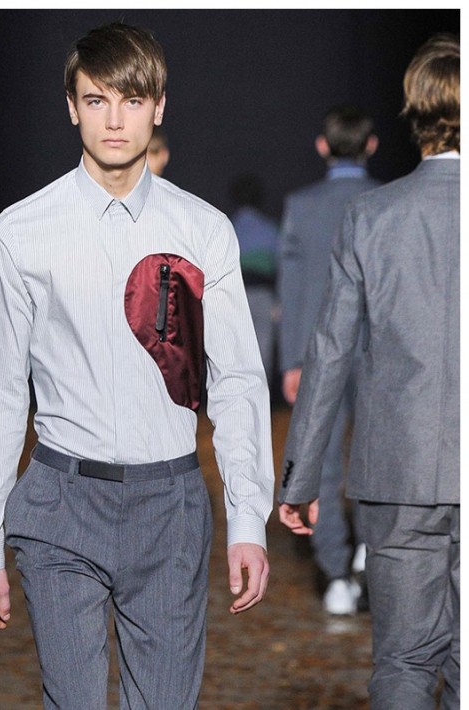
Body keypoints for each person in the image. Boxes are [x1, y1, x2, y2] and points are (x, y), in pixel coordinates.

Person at [0, 21, 274, 708]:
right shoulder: (21, 232)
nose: (113, 120)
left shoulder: (202, 230)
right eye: (96, 100)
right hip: (60, 502)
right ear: (71, 106)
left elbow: (238, 382)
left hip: (170, 506)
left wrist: (248, 519)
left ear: (158, 107)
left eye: (131, 101)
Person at [278, 33, 459, 709]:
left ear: (413, 114)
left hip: (399, 472)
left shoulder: (372, 216)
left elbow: (329, 349)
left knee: (405, 659)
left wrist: (299, 478)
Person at [277, 104, 380, 614]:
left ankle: (337, 573)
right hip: (380, 349)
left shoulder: (302, 205)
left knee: (323, 463)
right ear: (371, 145)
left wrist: (291, 360)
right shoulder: (388, 201)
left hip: (320, 351)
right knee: (378, 455)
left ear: (323, 146)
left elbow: (293, 287)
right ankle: (369, 550)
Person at [229, 173, 279, 386]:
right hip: (263, 296)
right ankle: (260, 399)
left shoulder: (227, 228)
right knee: (263, 353)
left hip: (234, 296)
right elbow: (281, 269)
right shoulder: (270, 229)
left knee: (234, 353)